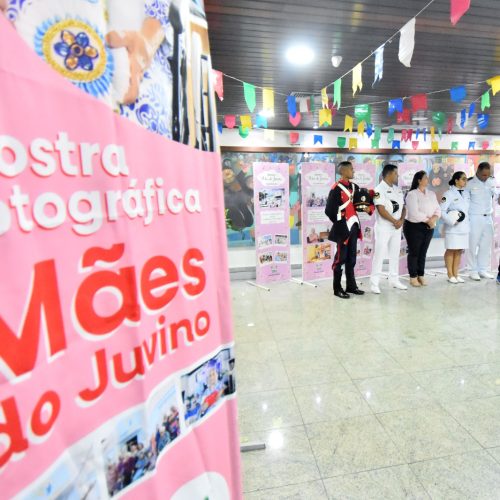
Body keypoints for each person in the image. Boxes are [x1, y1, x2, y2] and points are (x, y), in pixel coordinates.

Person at [325, 161, 374, 298]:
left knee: (352, 258)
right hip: (343, 229)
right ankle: (337, 288)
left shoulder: (355, 186)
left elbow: (363, 203)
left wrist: (368, 207)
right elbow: (329, 210)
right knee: (340, 260)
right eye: (351, 169)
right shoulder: (336, 188)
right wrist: (340, 223)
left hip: (354, 227)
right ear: (343, 171)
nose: (353, 171)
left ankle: (351, 286)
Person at [370, 164, 408, 294]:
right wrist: (394, 221)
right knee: (379, 255)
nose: (397, 176)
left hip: (397, 228)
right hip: (384, 227)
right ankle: (374, 283)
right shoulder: (378, 189)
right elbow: (381, 209)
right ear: (389, 174)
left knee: (394, 254)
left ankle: (394, 279)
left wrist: (401, 220)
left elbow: (404, 207)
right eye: (396, 173)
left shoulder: (398, 190)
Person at [403, 171, 441, 287]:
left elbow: (438, 209)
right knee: (414, 252)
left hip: (429, 226)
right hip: (414, 227)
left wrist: (433, 219)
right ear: (419, 180)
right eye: (425, 178)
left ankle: (421, 275)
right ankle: (413, 277)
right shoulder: (412, 194)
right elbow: (414, 213)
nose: (427, 179)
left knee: (423, 252)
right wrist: (428, 221)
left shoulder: (431, 194)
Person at [465, 162, 498, 280]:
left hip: (488, 217)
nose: (486, 177)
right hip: (474, 217)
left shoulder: (491, 181)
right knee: (472, 244)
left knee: (485, 244)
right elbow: (465, 202)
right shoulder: (469, 183)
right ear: (478, 171)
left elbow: (496, 194)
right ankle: (472, 270)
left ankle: (482, 269)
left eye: (488, 175)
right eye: (484, 175)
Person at [440, 171, 470, 284]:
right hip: (453, 228)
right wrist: (451, 221)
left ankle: (456, 274)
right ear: (456, 180)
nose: (465, 181)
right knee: (451, 249)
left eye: (466, 179)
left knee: (459, 250)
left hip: (464, 227)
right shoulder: (448, 194)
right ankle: (450, 274)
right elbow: (442, 211)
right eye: (463, 179)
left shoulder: (467, 193)